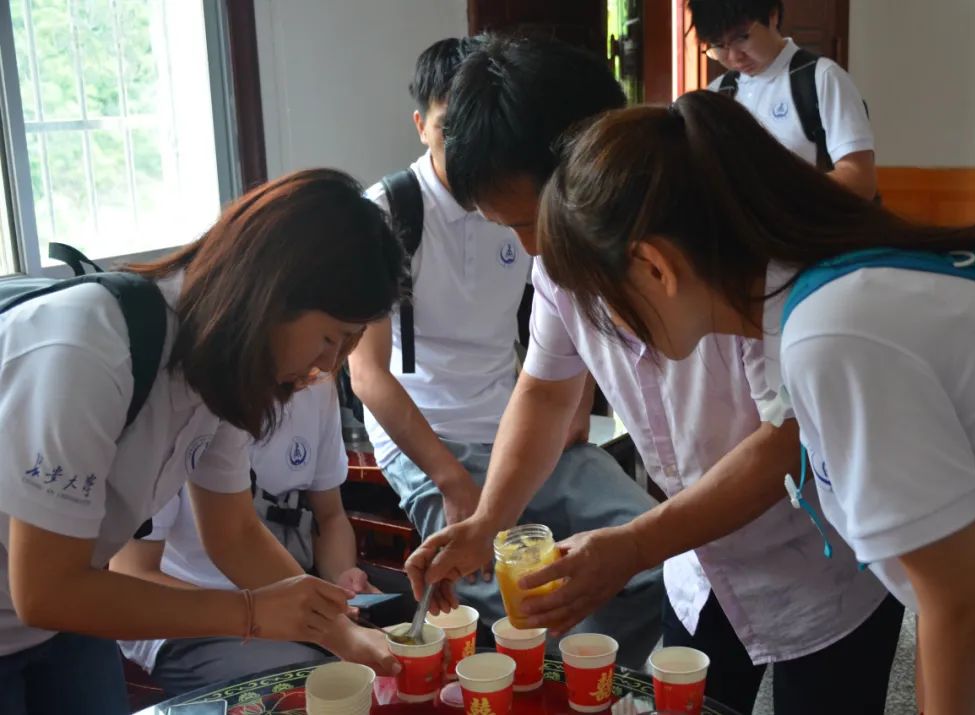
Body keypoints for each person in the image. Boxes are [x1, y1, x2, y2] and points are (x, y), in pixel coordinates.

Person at [530, 89, 975, 714]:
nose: (607, 329)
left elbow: (964, 609)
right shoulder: (844, 285)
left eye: (602, 302)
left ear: (654, 266)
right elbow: (949, 600)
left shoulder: (831, 336)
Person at [405, 35, 902, 714]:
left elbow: (787, 438)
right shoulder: (560, 267)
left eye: (527, 220)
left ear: (594, 165)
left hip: (820, 566)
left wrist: (636, 544)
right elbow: (545, 391)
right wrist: (491, 517)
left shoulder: (744, 256)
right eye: (507, 229)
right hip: (699, 565)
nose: (531, 247)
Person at [0, 169, 404, 714]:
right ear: (271, 294)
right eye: (330, 338)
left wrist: (341, 633)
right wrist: (252, 613)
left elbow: (233, 534)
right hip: (43, 602)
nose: (326, 365)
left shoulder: (221, 368)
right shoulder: (90, 352)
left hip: (64, 619)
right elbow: (45, 590)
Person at [350, 37, 662, 666]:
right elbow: (367, 373)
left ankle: (583, 673)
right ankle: (558, 676)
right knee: (512, 605)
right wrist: (457, 485)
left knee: (655, 566)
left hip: (512, 421)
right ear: (422, 125)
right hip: (434, 435)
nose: (528, 247)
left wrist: (576, 403)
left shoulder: (565, 222)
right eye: (446, 130)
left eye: (524, 224)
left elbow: (550, 362)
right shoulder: (390, 213)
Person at [113, 379, 380, 696]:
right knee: (315, 683)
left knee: (410, 635)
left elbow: (330, 516)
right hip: (187, 615)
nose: (324, 365)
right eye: (323, 345)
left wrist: (341, 578)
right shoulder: (187, 401)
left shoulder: (317, 385)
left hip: (289, 594)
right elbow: (132, 574)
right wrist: (257, 611)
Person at [690, 0, 878, 200]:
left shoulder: (821, 78)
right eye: (719, 45)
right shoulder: (717, 93)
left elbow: (861, 181)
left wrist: (779, 191)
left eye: (742, 38)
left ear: (772, 15)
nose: (735, 57)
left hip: (810, 218)